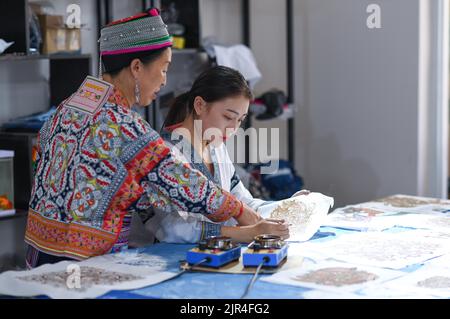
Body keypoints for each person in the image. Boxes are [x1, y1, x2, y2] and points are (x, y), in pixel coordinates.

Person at [24, 9, 263, 269]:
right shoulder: (123, 125)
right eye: (163, 69)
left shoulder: (67, 107)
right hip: (82, 263)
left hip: (38, 255)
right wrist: (240, 212)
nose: (164, 80)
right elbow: (184, 182)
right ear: (137, 67)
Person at [136, 66, 308, 244]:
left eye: (240, 120)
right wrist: (246, 233)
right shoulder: (165, 154)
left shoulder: (216, 148)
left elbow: (243, 202)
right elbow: (173, 229)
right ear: (200, 105)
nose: (234, 128)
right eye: (228, 117)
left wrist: (287, 207)